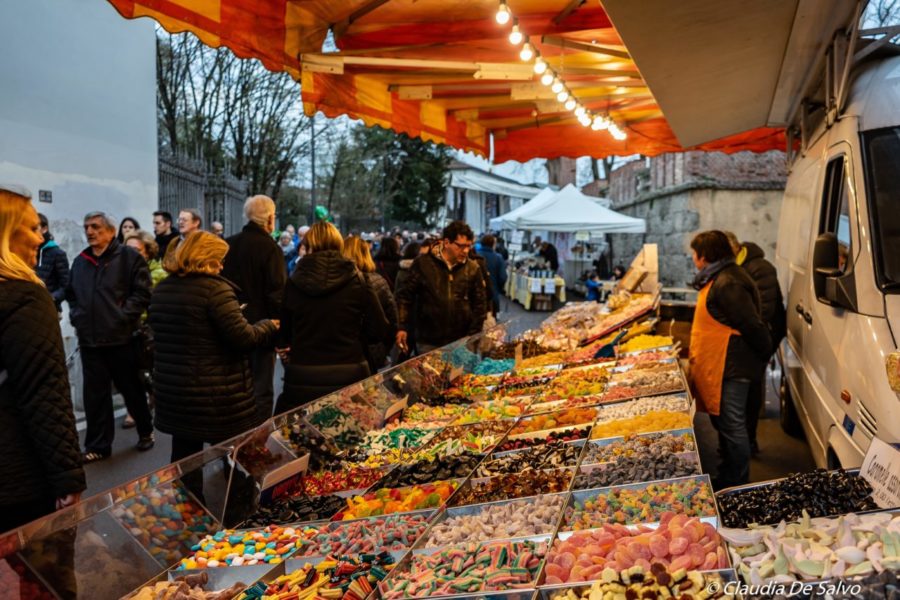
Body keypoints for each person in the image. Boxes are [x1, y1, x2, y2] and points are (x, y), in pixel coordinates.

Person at [149, 232, 278, 467]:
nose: (221, 266)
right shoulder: (215, 290)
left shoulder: (163, 289)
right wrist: (267, 325)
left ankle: (186, 493)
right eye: (219, 259)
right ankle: (236, 491)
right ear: (205, 258)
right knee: (234, 457)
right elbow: (244, 338)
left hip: (175, 391)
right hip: (215, 394)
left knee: (184, 460)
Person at [0, 185, 85, 532]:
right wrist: (67, 477)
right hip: (18, 476)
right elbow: (44, 392)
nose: (40, 237)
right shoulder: (25, 297)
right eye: (33, 228)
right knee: (38, 565)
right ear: (6, 233)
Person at [66, 211, 154, 462]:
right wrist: (77, 317)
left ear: (111, 231)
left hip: (122, 339)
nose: (90, 231)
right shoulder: (80, 261)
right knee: (95, 396)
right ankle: (98, 446)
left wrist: (122, 317)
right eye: (87, 227)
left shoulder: (129, 258)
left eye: (96, 227)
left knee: (131, 389)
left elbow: (142, 293)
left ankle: (145, 430)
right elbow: (72, 294)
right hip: (90, 340)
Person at [275, 222, 389, 414]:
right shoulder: (359, 280)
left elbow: (284, 336)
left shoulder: (293, 283)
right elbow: (379, 330)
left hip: (304, 376)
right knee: (351, 429)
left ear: (308, 246)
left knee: (305, 430)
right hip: (350, 373)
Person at [688, 230, 771, 489]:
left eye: (694, 253)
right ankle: (727, 473)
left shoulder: (728, 283)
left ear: (704, 255)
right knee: (725, 423)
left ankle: (737, 483)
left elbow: (751, 325)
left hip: (731, 366)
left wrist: (763, 354)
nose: (693, 258)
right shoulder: (720, 277)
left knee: (733, 425)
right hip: (722, 364)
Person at [221, 195, 287, 423]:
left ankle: (235, 435)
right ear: (270, 219)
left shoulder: (228, 244)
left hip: (231, 324)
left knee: (235, 387)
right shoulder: (271, 249)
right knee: (261, 388)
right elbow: (277, 293)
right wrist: (280, 332)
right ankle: (257, 437)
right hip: (262, 328)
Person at [724, 232, 787, 455]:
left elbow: (763, 312)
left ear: (733, 248)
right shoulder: (734, 267)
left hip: (762, 336)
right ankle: (743, 439)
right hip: (748, 336)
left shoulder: (760, 268)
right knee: (745, 390)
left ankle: (749, 440)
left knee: (751, 389)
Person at [395, 220, 488, 355]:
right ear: (446, 242)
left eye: (468, 246)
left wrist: (472, 337)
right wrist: (402, 326)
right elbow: (404, 296)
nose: (466, 251)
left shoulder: (473, 268)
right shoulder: (423, 264)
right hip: (428, 341)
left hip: (462, 341)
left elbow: (480, 304)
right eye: (461, 246)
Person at [343, 236, 398, 372]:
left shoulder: (337, 282)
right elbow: (392, 321)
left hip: (342, 353)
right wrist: (382, 350)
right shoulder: (378, 281)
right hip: (370, 352)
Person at [35, 212, 69, 312]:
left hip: (50, 309)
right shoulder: (30, 251)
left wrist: (52, 298)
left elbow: (66, 285)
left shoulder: (57, 254)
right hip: (30, 308)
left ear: (44, 229)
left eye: (35, 228)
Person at [393, 241, 421, 360]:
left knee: (402, 355)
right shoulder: (421, 271)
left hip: (404, 318)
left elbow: (397, 295)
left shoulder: (401, 271)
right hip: (418, 319)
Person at [478, 234, 507, 316]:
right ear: (493, 244)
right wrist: (498, 289)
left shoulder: (475, 255)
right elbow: (503, 277)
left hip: (475, 296)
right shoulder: (498, 258)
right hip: (492, 295)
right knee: (491, 321)